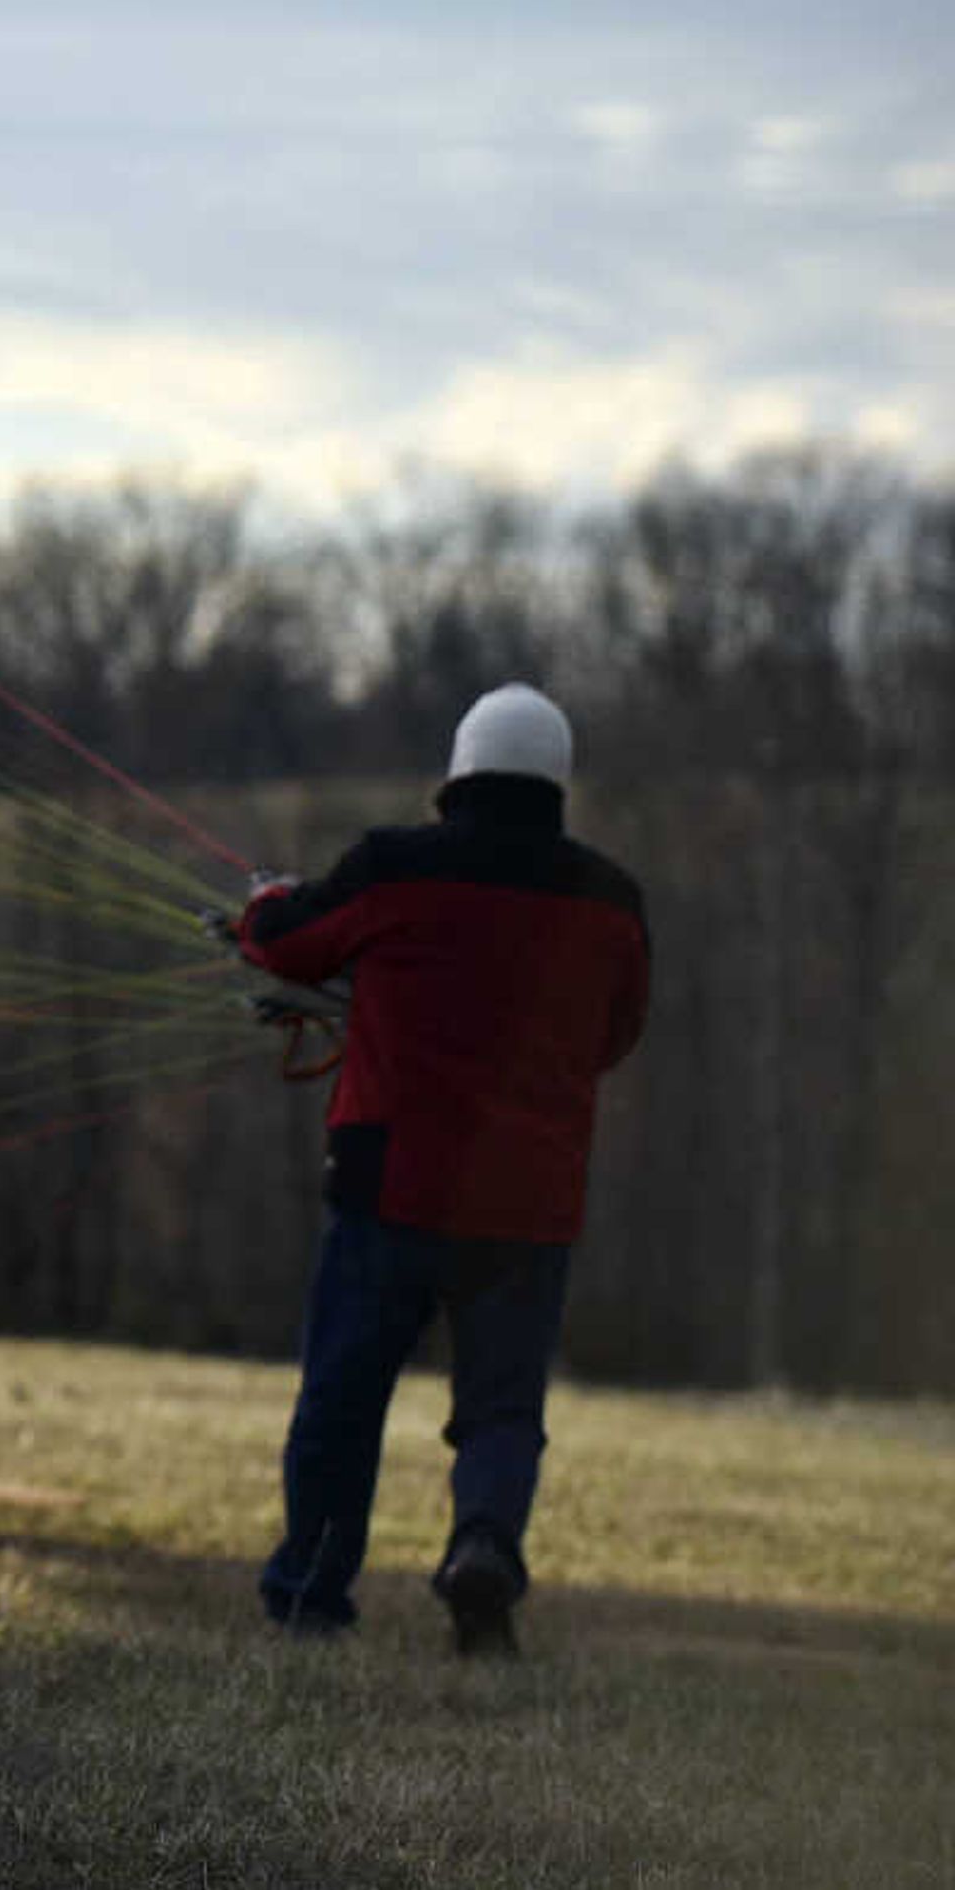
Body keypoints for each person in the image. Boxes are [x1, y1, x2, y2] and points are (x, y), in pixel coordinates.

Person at [231, 682, 649, 1654]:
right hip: (529, 1201)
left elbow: (288, 941)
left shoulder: (394, 868)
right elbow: (615, 1033)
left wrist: (264, 904)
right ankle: (484, 1548)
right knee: (503, 1407)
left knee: (344, 1394)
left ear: (458, 772)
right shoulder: (612, 902)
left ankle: (310, 1596)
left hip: (392, 1185)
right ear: (557, 781)